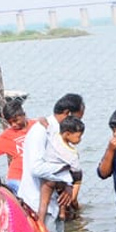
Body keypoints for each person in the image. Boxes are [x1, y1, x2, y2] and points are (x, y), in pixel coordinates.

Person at [19, 93, 84, 223]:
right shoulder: (41, 131)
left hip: (54, 202)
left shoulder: (56, 132)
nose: (78, 124)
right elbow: (36, 168)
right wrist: (65, 174)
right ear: (67, 113)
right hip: (37, 201)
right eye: (77, 119)